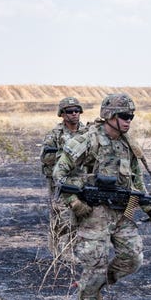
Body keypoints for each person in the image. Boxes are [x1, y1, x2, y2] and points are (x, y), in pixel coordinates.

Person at [52, 93, 151, 300]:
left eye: (131, 116)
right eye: (124, 116)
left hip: (122, 210)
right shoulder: (87, 140)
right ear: (109, 115)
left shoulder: (128, 144)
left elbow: (136, 181)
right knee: (95, 263)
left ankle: (96, 289)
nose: (128, 120)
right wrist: (74, 202)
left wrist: (148, 205)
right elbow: (59, 174)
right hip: (93, 212)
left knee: (133, 258)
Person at [40, 97, 87, 259]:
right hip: (60, 181)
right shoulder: (55, 134)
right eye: (70, 111)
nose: (74, 114)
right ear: (62, 114)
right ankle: (60, 249)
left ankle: (71, 247)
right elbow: (45, 158)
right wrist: (64, 157)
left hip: (82, 180)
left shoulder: (87, 131)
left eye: (77, 111)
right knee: (63, 214)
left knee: (80, 214)